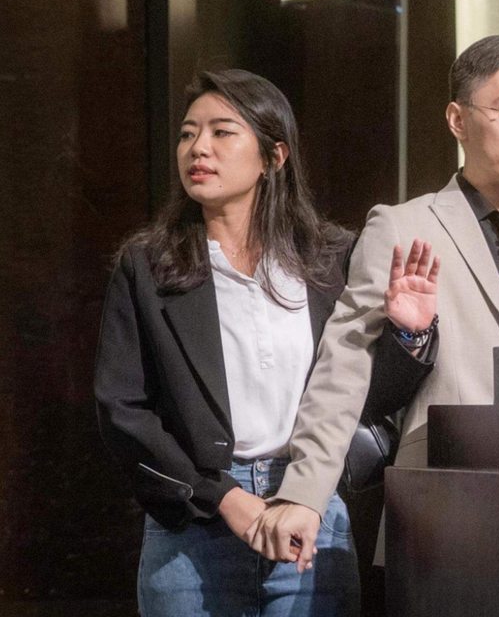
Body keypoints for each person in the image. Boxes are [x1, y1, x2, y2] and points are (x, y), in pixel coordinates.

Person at [94, 68, 438, 617]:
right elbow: (122, 410)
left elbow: (362, 397)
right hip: (194, 522)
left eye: (222, 132)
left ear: (274, 156)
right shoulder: (149, 265)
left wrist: (408, 332)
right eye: (187, 134)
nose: (198, 148)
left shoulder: (330, 259)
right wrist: (224, 498)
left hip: (309, 506)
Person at [250, 34, 499, 577]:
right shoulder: (405, 227)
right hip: (449, 513)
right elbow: (344, 364)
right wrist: (304, 492)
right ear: (458, 119)